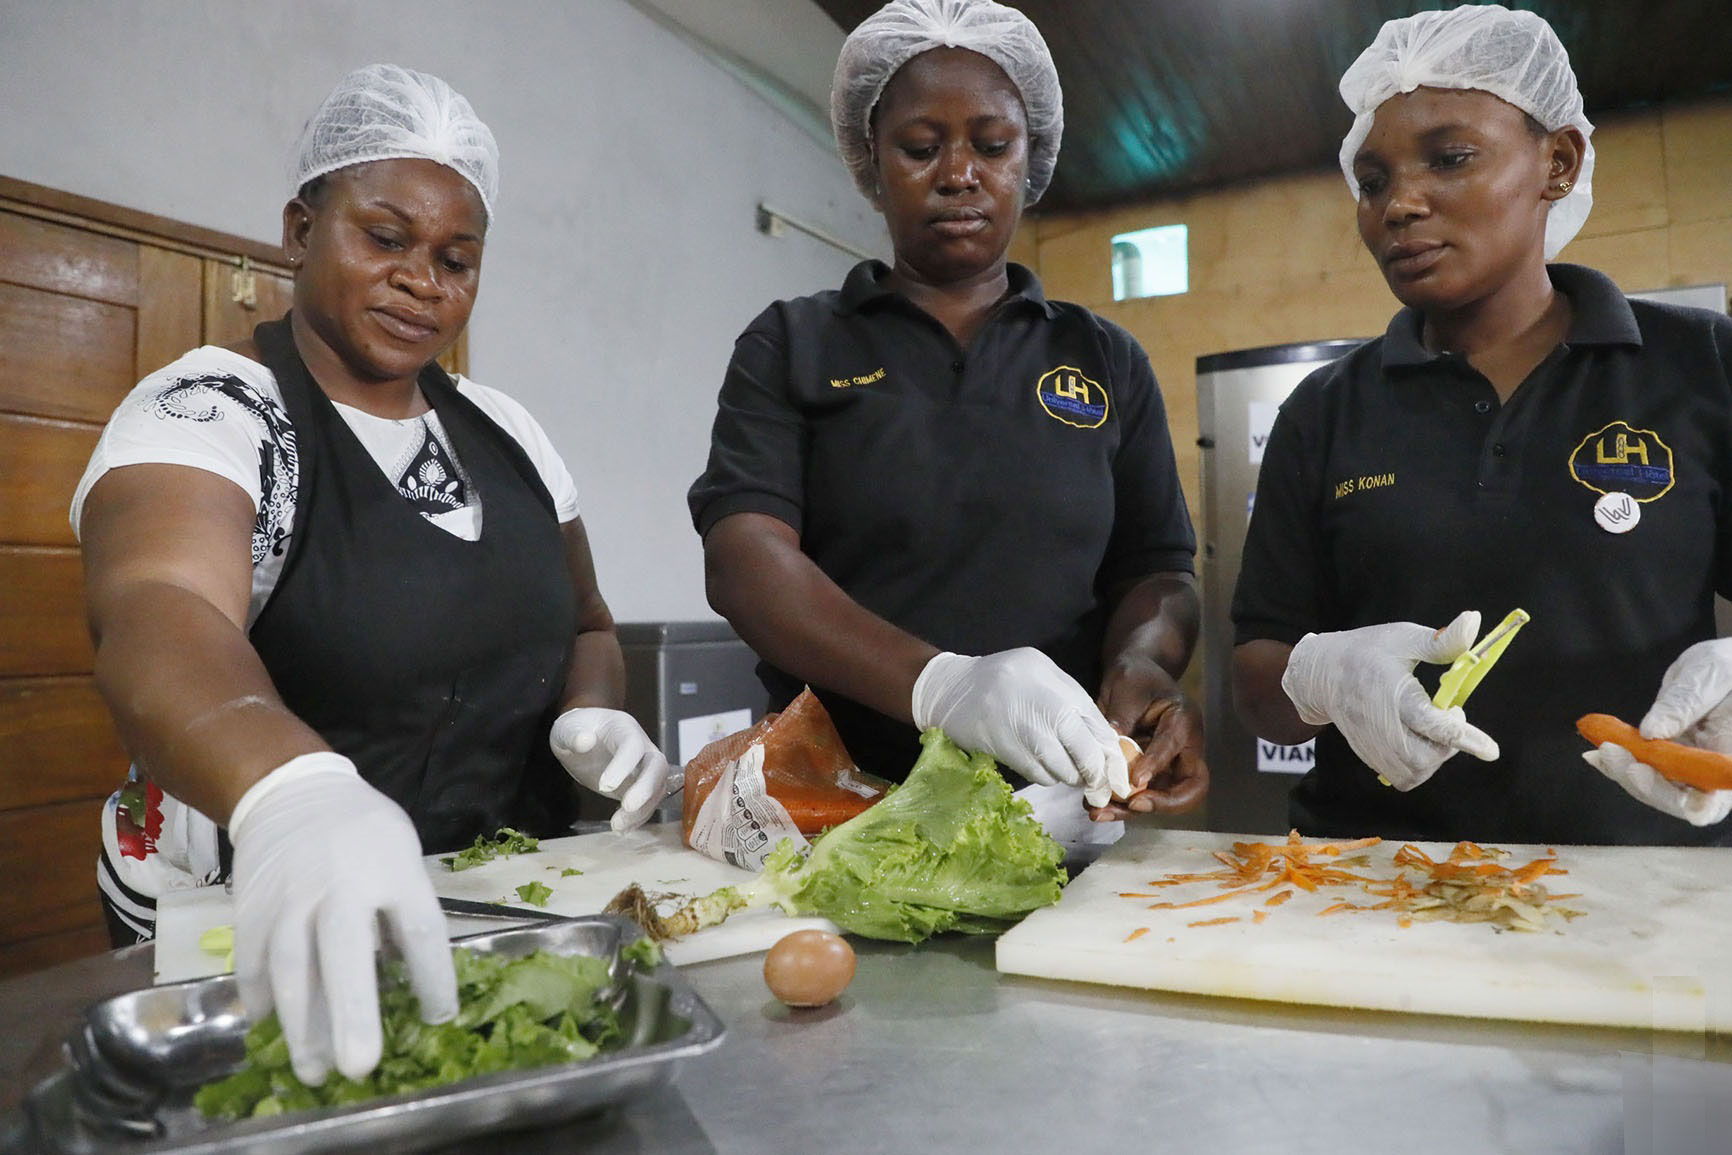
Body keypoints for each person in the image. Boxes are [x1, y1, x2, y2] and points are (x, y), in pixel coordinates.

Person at [73, 64, 671, 1086]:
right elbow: (157, 606)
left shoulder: (509, 434)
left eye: (456, 257)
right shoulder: (214, 411)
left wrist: (591, 714)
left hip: (487, 909)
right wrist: (290, 795)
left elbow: (586, 622)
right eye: (384, 238)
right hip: (250, 910)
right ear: (301, 231)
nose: (421, 279)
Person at [688, 0, 1206, 821]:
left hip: (1056, 807)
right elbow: (745, 559)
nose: (959, 173)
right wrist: (941, 684)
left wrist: (1144, 664)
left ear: (1030, 156)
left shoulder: (1104, 360)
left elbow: (1157, 569)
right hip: (833, 802)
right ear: (871, 157)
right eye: (921, 148)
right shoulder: (796, 341)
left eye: (993, 146)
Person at [1231, 5, 1732, 845]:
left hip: (1642, 885)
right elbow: (1257, 682)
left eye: (1450, 158)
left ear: (1559, 163)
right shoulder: (1325, 410)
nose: (1401, 204)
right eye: (1373, 180)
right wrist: (1317, 678)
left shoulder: (1701, 366)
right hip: (1372, 877)